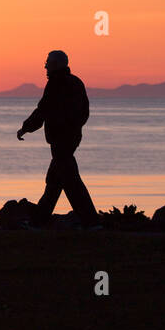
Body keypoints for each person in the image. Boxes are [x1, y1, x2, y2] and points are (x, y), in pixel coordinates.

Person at [16, 50, 102, 228]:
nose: (45, 66)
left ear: (55, 64)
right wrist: (73, 129)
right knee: (54, 182)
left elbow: (42, 110)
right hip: (70, 140)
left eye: (48, 62)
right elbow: (83, 113)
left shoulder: (56, 84)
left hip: (61, 141)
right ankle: (38, 221)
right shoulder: (76, 83)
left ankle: (92, 223)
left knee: (71, 182)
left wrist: (26, 127)